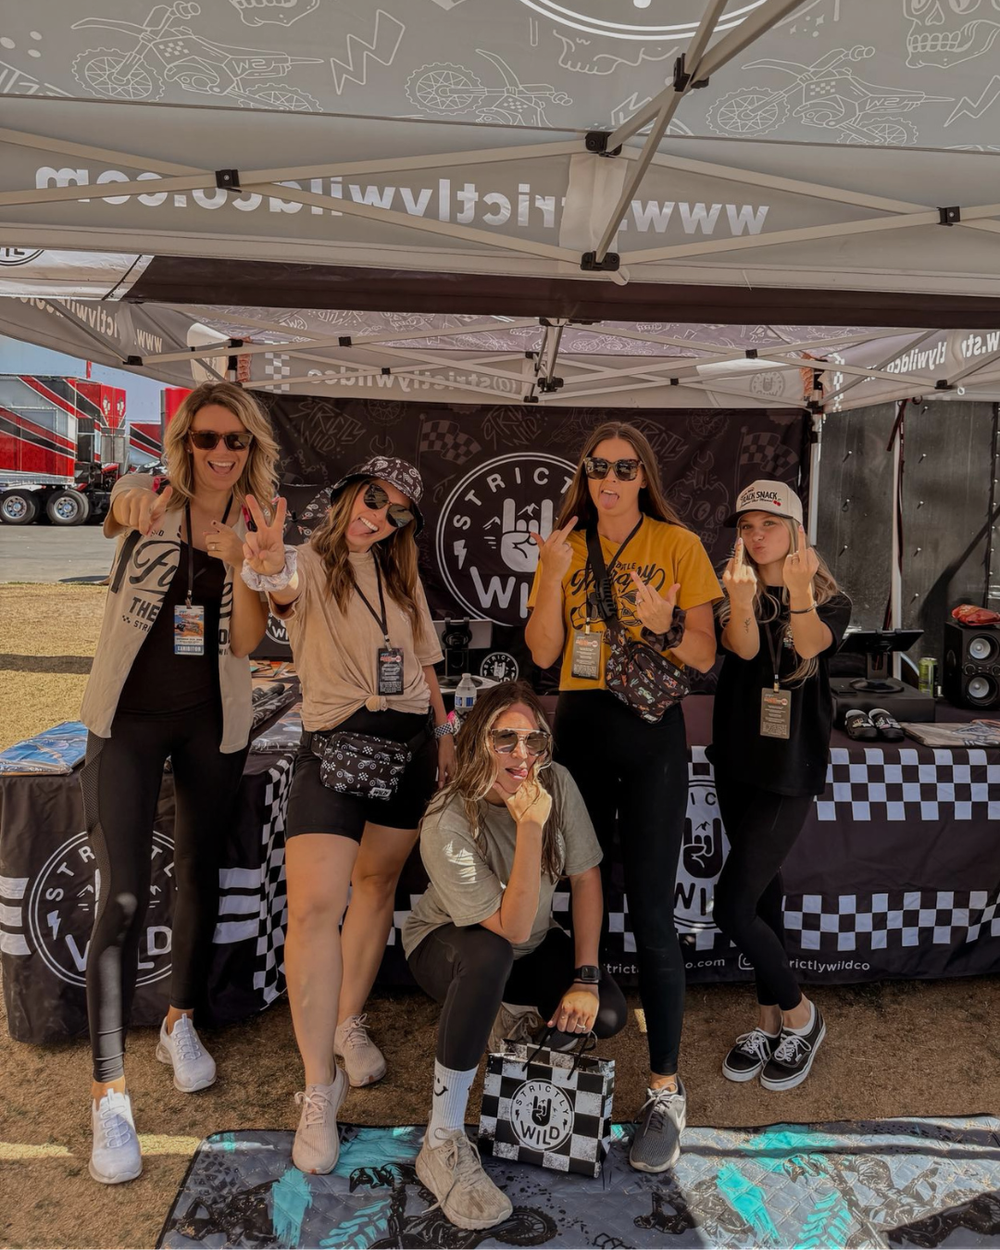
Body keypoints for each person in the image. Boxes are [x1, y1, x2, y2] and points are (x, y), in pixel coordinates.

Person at [78, 381, 280, 1184]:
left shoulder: (259, 522)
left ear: (252, 448)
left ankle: (180, 1020)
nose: (222, 453)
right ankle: (109, 1093)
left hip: (213, 722)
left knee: (200, 871)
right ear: (184, 443)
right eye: (207, 439)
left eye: (236, 441)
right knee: (122, 897)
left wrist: (251, 568)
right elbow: (120, 506)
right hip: (125, 720)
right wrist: (130, 497)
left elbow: (258, 643)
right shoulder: (150, 498)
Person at [524, 420, 720, 1173]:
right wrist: (547, 576)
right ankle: (581, 1048)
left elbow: (703, 655)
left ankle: (666, 1088)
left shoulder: (677, 545)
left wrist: (663, 619)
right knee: (585, 889)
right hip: (580, 727)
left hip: (650, 735)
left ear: (644, 476)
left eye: (624, 467)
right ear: (584, 473)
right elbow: (542, 654)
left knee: (652, 910)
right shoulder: (564, 546)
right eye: (597, 466)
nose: (609, 478)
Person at [254, 456, 456, 1175]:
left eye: (399, 511)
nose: (382, 516)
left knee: (376, 890)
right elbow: (278, 592)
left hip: (405, 749)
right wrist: (270, 570)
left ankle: (346, 1022)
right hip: (334, 745)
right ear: (346, 494)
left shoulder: (401, 578)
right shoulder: (304, 563)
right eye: (375, 498)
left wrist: (443, 734)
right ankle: (318, 1088)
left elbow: (427, 664)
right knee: (313, 908)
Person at [402, 681, 626, 1231]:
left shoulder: (557, 781)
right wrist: (530, 828)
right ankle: (442, 1138)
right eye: (506, 740)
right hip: (448, 944)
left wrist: (587, 978)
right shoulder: (447, 819)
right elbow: (509, 925)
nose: (522, 755)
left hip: (528, 942)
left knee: (608, 1013)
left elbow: (587, 876)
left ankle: (510, 1021)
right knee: (490, 954)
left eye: (534, 741)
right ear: (478, 742)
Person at [711, 479, 851, 1091]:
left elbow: (813, 643)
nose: (755, 534)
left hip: (789, 769)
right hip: (737, 759)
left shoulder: (830, 599)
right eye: (746, 525)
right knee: (765, 897)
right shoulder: (732, 588)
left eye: (768, 523)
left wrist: (795, 591)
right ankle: (769, 1024)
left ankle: (801, 1014)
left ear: (796, 531)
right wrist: (741, 600)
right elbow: (740, 650)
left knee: (733, 906)